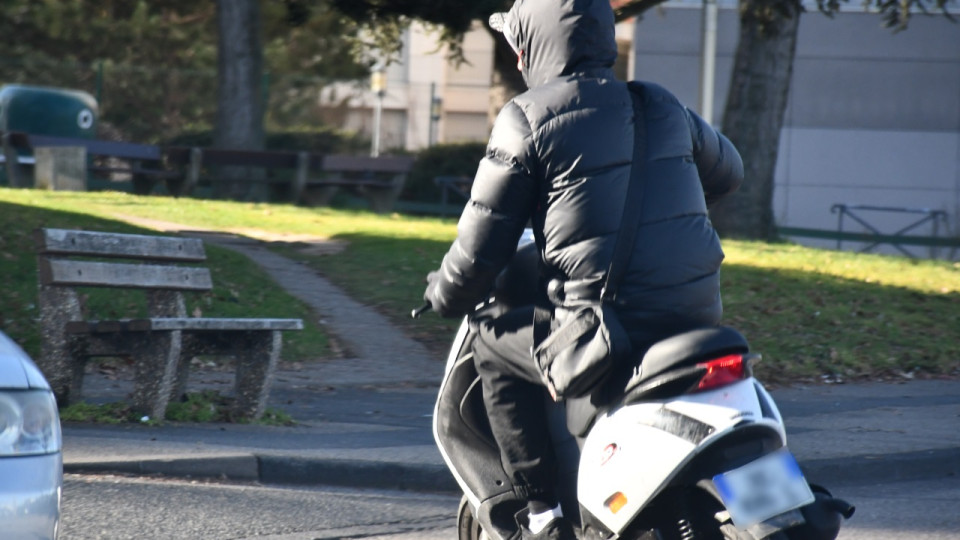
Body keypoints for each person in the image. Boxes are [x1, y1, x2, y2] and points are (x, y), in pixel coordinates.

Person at [423, 0, 744, 538]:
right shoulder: (658, 104)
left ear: (532, 47)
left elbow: (480, 250)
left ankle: (542, 512)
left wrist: (443, 294)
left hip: (608, 328)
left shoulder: (527, 116)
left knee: (491, 339)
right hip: (695, 316)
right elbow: (728, 173)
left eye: (517, 45)